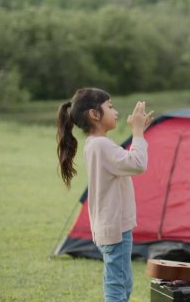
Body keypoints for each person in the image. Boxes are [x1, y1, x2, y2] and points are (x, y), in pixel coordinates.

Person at [56, 88, 153, 302]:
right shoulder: (101, 145)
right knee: (117, 284)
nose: (116, 111)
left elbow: (127, 163)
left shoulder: (98, 145)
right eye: (110, 106)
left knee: (123, 281)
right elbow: (138, 164)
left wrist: (139, 132)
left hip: (115, 225)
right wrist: (137, 132)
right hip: (115, 227)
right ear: (94, 114)